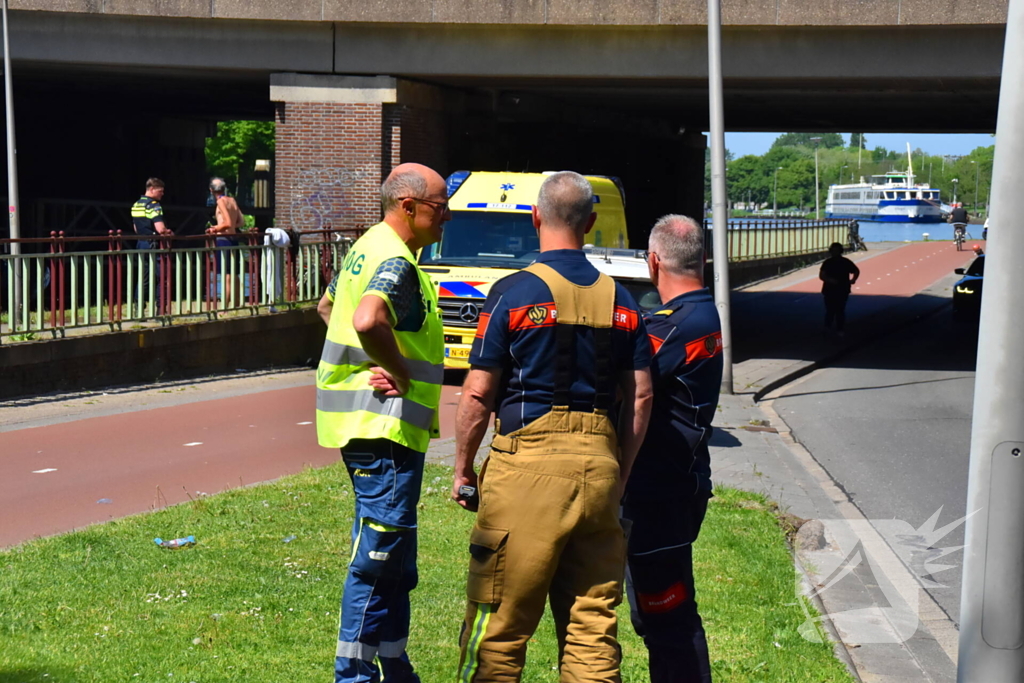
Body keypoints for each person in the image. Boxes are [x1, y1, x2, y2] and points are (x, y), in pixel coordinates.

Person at [452, 171, 654, 682]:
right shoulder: (624, 303)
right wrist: (620, 470)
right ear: (589, 223)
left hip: (528, 471)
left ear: (535, 217)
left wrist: (463, 468)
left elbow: (478, 393)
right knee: (593, 629)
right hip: (600, 469)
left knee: (498, 625)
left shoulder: (512, 294)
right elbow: (642, 395)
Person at [316, 163, 450, 683]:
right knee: (378, 553)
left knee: (394, 554)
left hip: (371, 428)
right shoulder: (394, 259)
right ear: (409, 207)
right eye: (441, 208)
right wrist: (393, 367)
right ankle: (354, 673)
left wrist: (359, 361)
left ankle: (394, 663)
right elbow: (367, 318)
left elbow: (328, 307)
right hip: (384, 428)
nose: (447, 219)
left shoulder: (365, 246)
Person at [623, 215, 723, 683]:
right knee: (659, 614)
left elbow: (623, 383)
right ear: (701, 259)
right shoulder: (702, 312)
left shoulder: (674, 326)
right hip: (677, 485)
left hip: (659, 492)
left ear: (653, 261)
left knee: (667, 617)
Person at [130, 177, 172, 312]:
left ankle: (139, 308)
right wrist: (168, 232)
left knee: (144, 277)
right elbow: (160, 228)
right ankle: (160, 308)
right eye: (160, 191)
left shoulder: (136, 204)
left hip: (141, 243)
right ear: (152, 189)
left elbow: (136, 228)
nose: (162, 194)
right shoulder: (154, 205)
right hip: (155, 244)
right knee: (162, 277)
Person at [206, 178, 246, 305]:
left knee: (226, 274)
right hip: (234, 239)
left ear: (211, 190)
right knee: (234, 272)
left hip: (223, 240)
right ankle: (237, 301)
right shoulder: (232, 200)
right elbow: (241, 222)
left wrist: (215, 228)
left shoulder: (221, 202)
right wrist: (232, 226)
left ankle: (225, 305)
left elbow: (227, 223)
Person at [819, 242, 860, 336]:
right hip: (837, 289)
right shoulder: (844, 262)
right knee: (836, 310)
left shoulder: (829, 262)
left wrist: (853, 279)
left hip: (836, 289)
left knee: (834, 310)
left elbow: (822, 275)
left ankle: (831, 328)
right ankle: (837, 329)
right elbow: (856, 270)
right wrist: (853, 280)